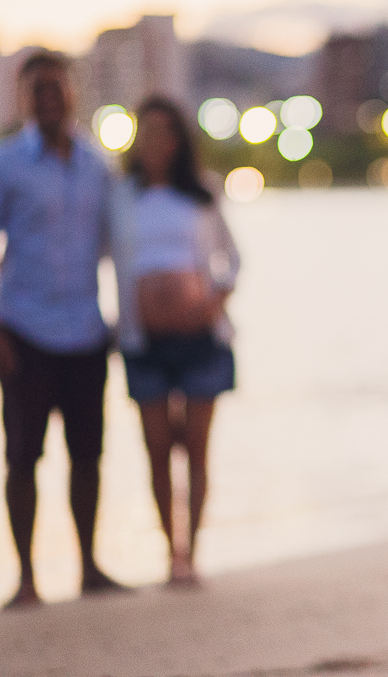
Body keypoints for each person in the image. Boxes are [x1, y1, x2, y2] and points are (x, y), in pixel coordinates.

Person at [0, 50, 123, 608]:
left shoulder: (97, 165)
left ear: (74, 92)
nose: (49, 99)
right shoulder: (3, 165)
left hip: (85, 329)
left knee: (88, 455)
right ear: (23, 98)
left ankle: (89, 567)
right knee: (22, 457)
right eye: (37, 90)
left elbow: (118, 247)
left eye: (57, 87)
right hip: (26, 333)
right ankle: (27, 578)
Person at [110, 96, 239, 585]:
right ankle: (171, 551)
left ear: (180, 140)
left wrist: (211, 304)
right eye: (147, 131)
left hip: (202, 339)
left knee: (198, 448)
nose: (156, 141)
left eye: (165, 131)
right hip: (144, 342)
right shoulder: (121, 196)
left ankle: (193, 552)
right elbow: (87, 251)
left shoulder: (202, 193)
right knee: (158, 447)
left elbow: (235, 261)